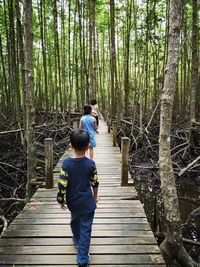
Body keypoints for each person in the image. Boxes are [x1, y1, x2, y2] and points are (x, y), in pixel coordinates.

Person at [57, 129, 99, 267]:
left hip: (72, 201)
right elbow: (95, 182)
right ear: (88, 146)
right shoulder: (91, 164)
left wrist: (61, 200)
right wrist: (95, 197)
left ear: (70, 145)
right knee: (86, 229)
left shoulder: (66, 164)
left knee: (75, 220)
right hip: (87, 203)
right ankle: (82, 258)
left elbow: (62, 184)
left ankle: (76, 239)